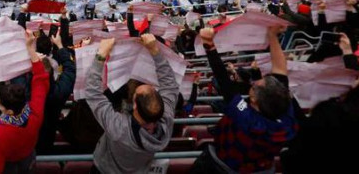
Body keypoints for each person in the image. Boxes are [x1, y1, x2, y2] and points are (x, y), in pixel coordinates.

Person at [191, 26, 298, 174]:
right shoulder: (285, 118)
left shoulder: (245, 118)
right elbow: (280, 70)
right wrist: (272, 36)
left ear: (253, 98)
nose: (254, 83)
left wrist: (209, 44)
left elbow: (223, 80)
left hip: (221, 168)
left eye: (255, 85)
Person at [86, 34, 178, 174]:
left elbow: (93, 93)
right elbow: (170, 85)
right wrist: (154, 50)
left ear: (134, 105)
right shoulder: (166, 119)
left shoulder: (118, 128)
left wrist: (101, 55)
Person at [0, 30, 50, 174]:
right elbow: (41, 80)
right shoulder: (34, 113)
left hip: (9, 166)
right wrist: (30, 49)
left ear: (9, 111)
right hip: (28, 158)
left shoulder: (0, 132)